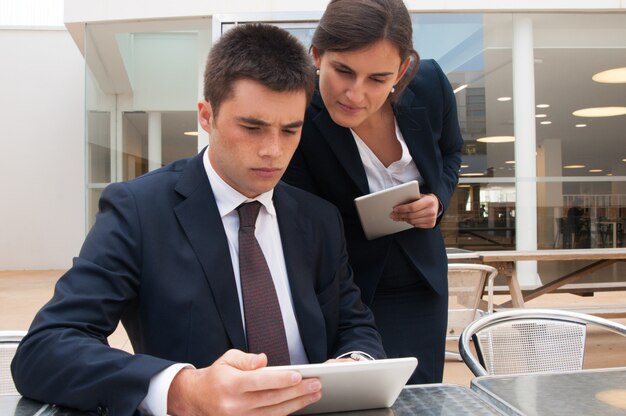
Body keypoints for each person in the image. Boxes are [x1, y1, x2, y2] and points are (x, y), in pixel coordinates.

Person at [11, 24, 385, 416]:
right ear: (206, 115)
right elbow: (46, 348)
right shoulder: (139, 211)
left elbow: (355, 326)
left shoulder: (319, 219)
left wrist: (354, 366)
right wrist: (181, 389)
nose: (273, 150)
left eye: (290, 130)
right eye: (252, 127)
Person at [283, 0, 463, 384]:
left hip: (423, 278)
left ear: (401, 71)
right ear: (317, 56)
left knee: (420, 392)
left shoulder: (431, 86)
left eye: (378, 79)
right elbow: (300, 216)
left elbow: (451, 153)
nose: (354, 94)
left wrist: (439, 200)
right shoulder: (296, 112)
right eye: (343, 71)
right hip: (349, 286)